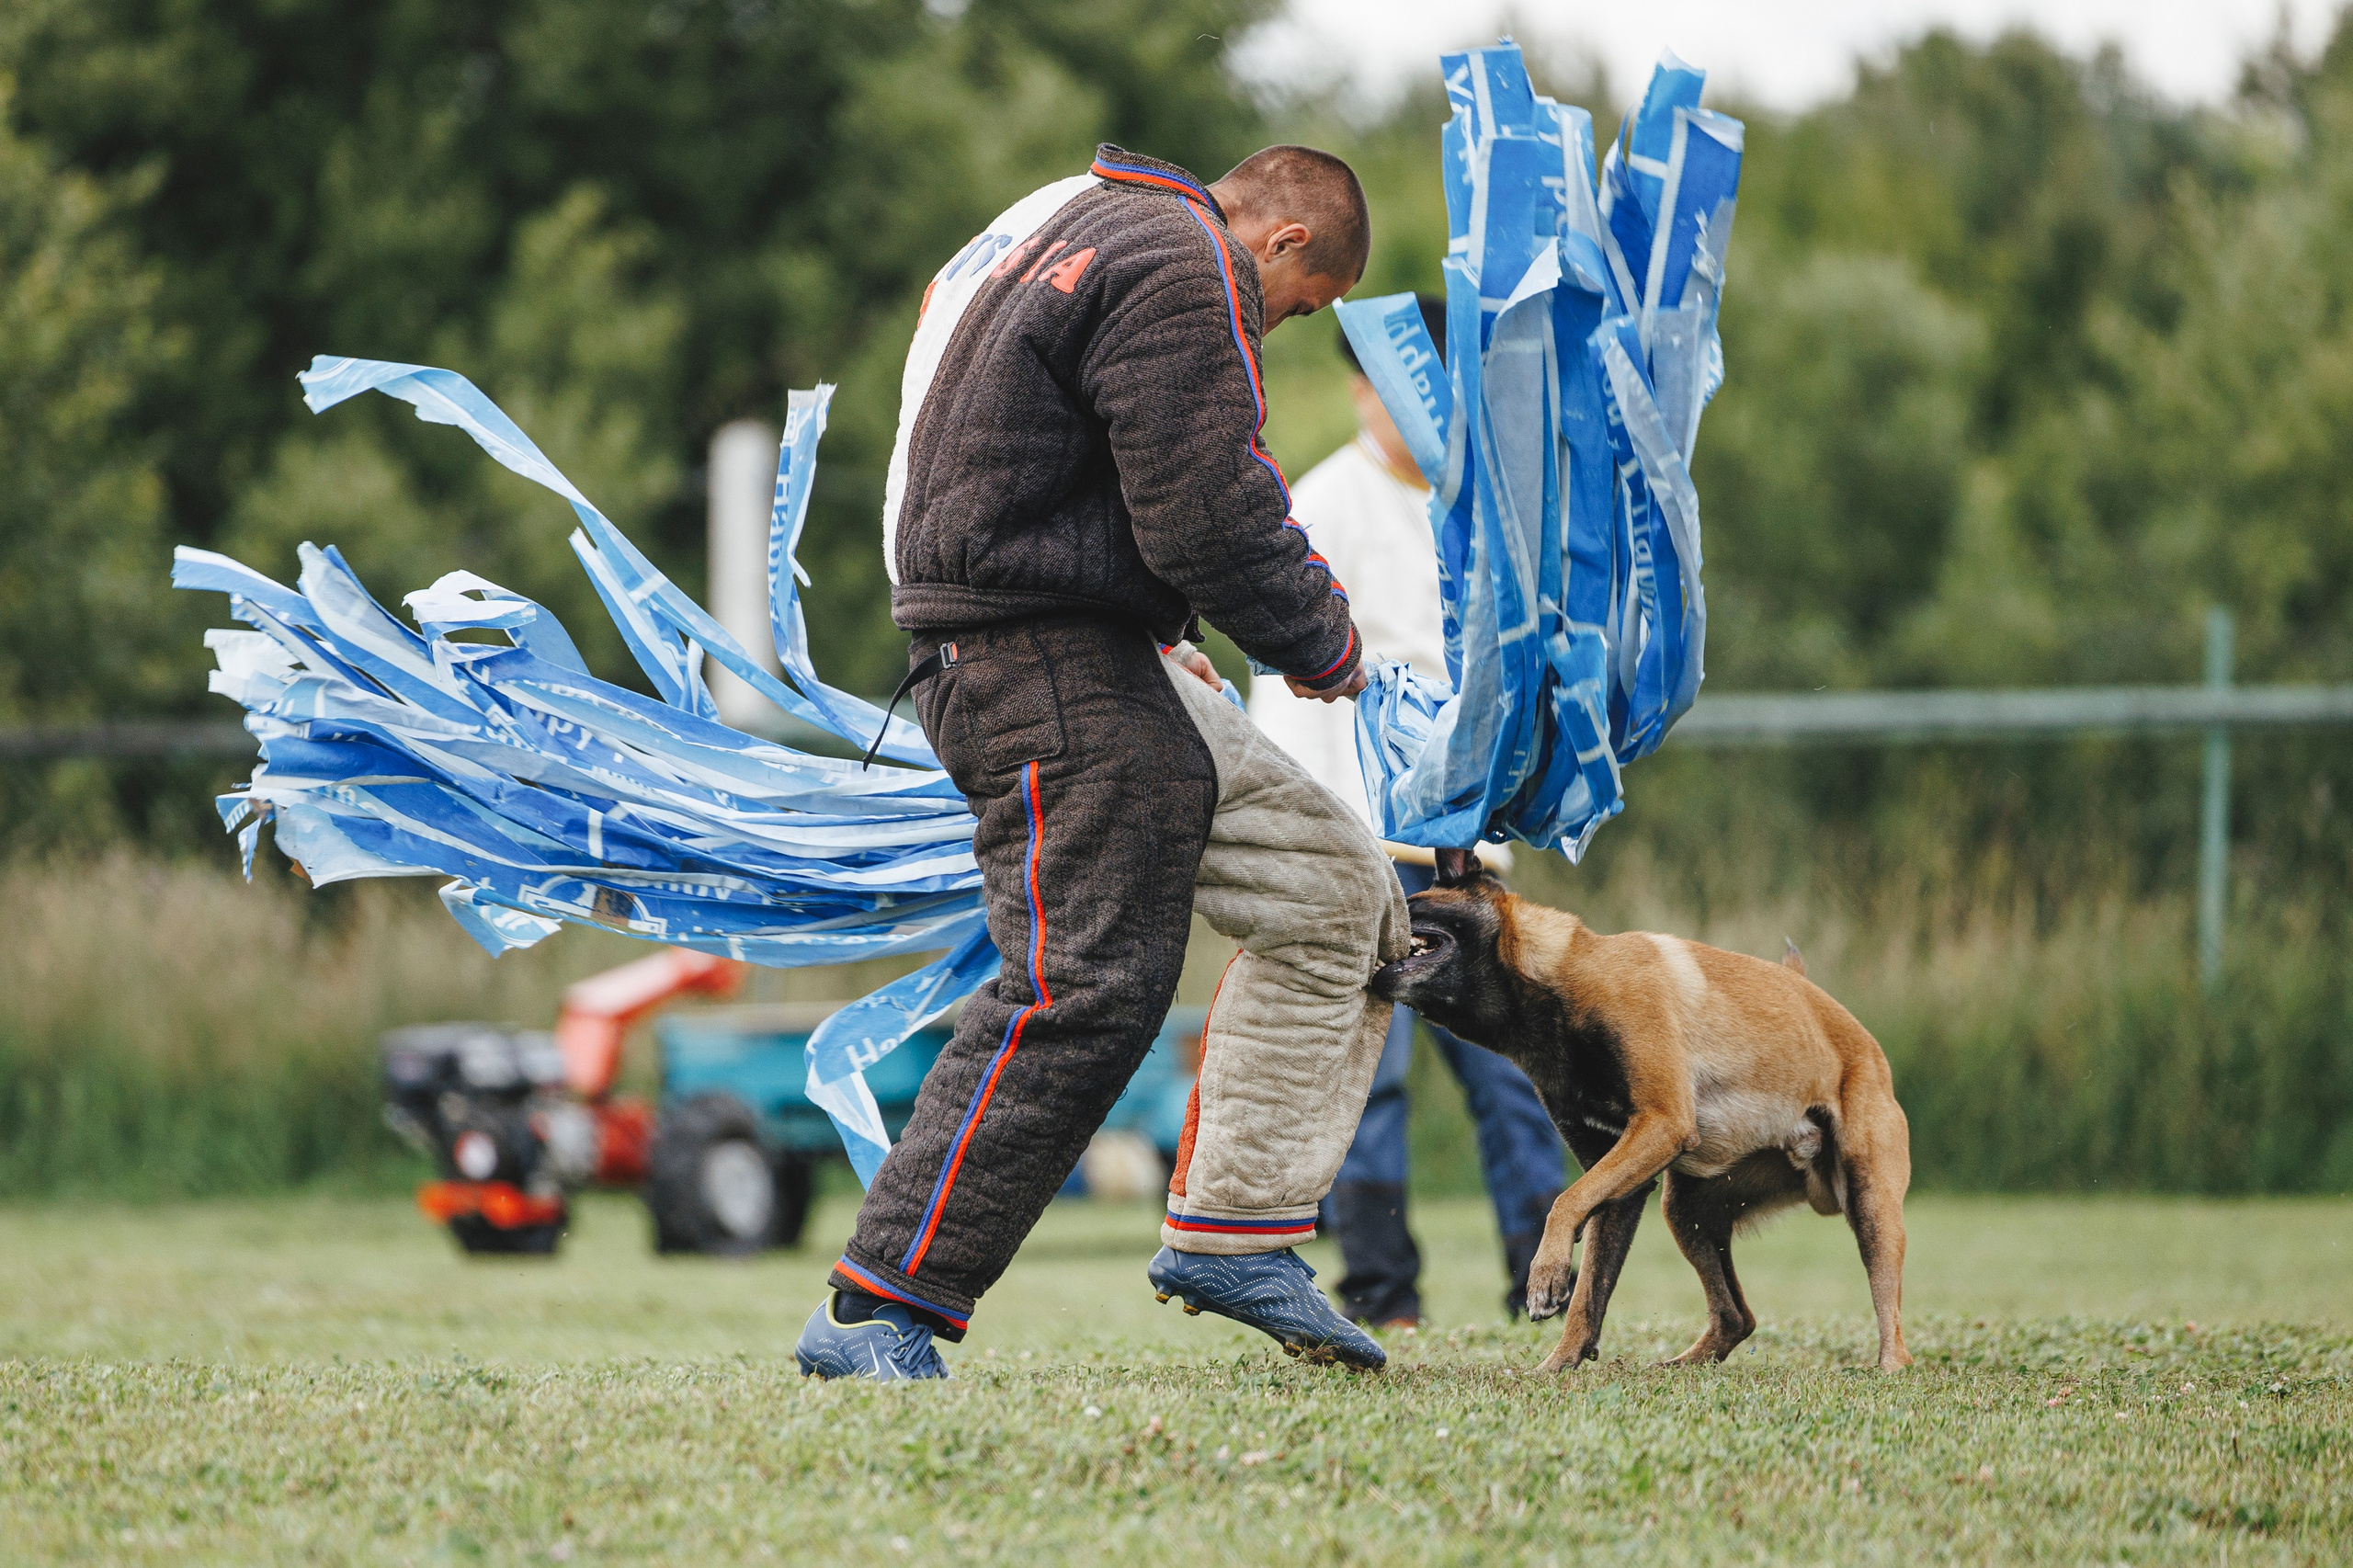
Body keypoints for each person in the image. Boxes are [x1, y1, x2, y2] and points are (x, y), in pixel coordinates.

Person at [795, 143, 1412, 1381]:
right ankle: (877, 1311)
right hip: (1037, 659)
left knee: (1334, 892)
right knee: (1083, 984)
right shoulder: (1186, 262)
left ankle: (1235, 1232)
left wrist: (1162, 632)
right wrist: (1321, 641)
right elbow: (1205, 502)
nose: (1276, 329)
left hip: (1088, 648)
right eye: (1299, 310)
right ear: (1286, 243)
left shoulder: (1078, 225)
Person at [1247, 294, 1568, 1328]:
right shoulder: (1325, 503)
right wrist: (1319, 833)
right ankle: (1383, 1293)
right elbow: (1281, 681)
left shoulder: (1482, 510)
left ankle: (1542, 1276)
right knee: (1368, 1078)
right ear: (1362, 388)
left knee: (1513, 1071)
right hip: (1358, 843)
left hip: (1463, 848)